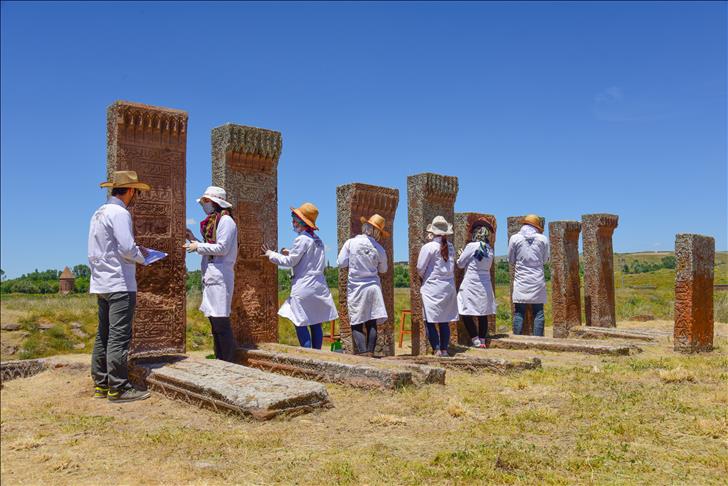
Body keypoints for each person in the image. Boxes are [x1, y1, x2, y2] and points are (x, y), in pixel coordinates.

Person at [88, 170, 151, 403]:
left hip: (102, 282)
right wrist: (144, 257)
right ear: (131, 191)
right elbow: (126, 248)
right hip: (119, 283)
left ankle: (101, 383)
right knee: (118, 336)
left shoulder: (99, 212)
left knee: (102, 334)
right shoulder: (120, 213)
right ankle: (119, 388)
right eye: (136, 192)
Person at [263, 203, 338, 349]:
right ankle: (318, 355)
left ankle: (307, 353)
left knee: (299, 320)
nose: (293, 222)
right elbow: (307, 259)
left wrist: (271, 255)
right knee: (316, 322)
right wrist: (289, 251)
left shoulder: (301, 239)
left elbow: (290, 261)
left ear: (302, 222)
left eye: (295, 219)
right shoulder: (317, 240)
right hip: (319, 285)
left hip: (304, 285)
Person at [184, 186, 238, 362]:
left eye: (206, 201)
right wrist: (193, 238)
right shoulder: (214, 221)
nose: (203, 205)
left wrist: (197, 246)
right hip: (212, 274)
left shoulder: (226, 221)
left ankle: (228, 360)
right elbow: (211, 248)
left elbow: (222, 248)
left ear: (215, 202)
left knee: (221, 322)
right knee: (215, 323)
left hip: (221, 275)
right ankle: (220, 358)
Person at [336, 214, 389, 356]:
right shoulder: (379, 248)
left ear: (365, 227)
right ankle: (370, 352)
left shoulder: (350, 243)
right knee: (372, 321)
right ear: (377, 232)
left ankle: (363, 352)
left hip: (357, 286)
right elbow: (383, 270)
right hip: (373, 287)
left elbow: (341, 262)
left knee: (356, 321)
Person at [416, 216, 458, 357]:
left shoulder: (428, 247)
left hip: (432, 287)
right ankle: (445, 349)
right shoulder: (450, 247)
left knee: (430, 320)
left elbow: (420, 268)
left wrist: (423, 277)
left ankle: (437, 348)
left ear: (433, 231)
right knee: (444, 320)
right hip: (448, 287)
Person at [456, 220, 497, 348]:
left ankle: (475, 339)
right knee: (483, 313)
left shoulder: (471, 247)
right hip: (485, 284)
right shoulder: (489, 249)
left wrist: (460, 255)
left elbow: (460, 264)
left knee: (464, 311)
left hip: (471, 283)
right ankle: (483, 340)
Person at [508, 214, 549, 336]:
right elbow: (546, 259)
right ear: (536, 226)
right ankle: (538, 340)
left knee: (519, 312)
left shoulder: (515, 238)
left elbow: (511, 259)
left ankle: (517, 339)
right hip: (537, 279)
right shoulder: (542, 239)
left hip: (521, 279)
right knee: (539, 312)